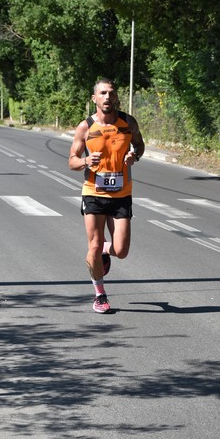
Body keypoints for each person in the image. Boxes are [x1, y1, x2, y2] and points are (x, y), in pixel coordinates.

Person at [69, 78, 145, 314]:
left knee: (121, 250)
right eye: (102, 93)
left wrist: (135, 155)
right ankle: (100, 295)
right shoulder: (86, 127)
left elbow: (140, 145)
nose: (107, 97)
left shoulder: (128, 122)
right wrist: (84, 161)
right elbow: (71, 160)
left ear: (116, 97)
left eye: (111, 93)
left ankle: (105, 250)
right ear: (94, 98)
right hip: (94, 192)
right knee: (93, 245)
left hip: (122, 194)